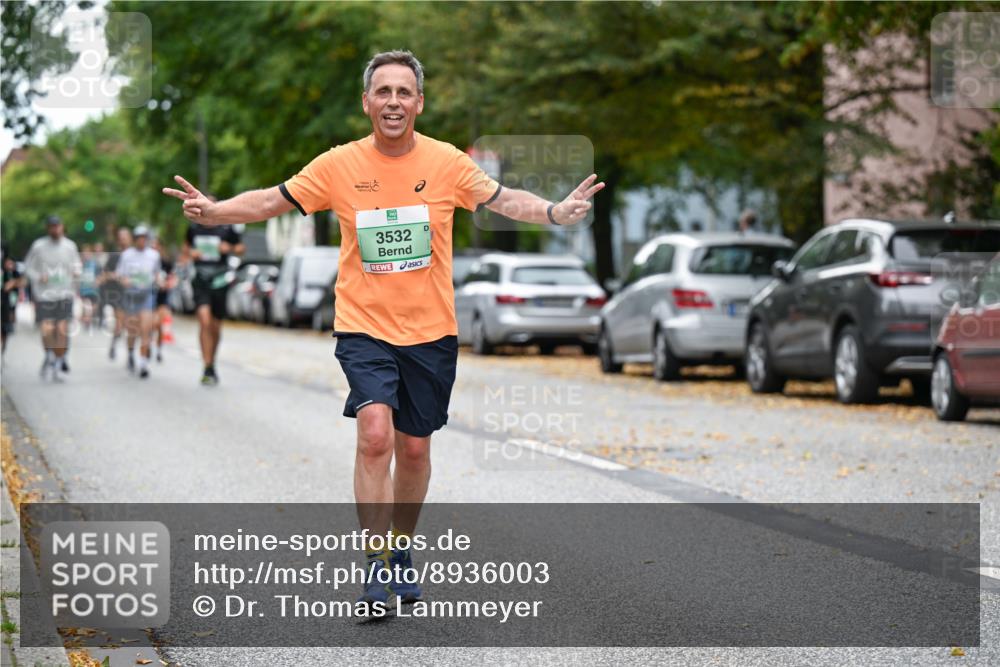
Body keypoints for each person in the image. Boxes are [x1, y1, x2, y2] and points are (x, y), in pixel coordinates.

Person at [162, 50, 602, 610]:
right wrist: (217, 210)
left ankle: (399, 548)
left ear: (419, 102)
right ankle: (373, 564)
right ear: (366, 102)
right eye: (383, 92)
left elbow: (503, 199)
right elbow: (275, 199)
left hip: (431, 331)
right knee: (374, 434)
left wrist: (555, 212)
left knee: (414, 452)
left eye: (403, 92)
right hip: (363, 326)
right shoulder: (338, 165)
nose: (393, 102)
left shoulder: (446, 163)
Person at [182, 201, 244, 385]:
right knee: (204, 319)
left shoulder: (227, 229)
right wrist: (191, 254)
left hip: (220, 280)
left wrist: (230, 248)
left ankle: (212, 363)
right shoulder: (194, 229)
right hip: (200, 279)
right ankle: (206, 364)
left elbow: (241, 249)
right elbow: (185, 250)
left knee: (215, 326)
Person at [24, 215, 81, 382]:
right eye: (52, 226)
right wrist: (38, 276)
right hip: (45, 295)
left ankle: (58, 362)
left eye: (58, 226)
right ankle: (49, 353)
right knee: (47, 329)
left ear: (62, 227)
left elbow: (77, 265)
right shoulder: (39, 246)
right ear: (48, 228)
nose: (55, 229)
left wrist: (77, 273)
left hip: (65, 294)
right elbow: (28, 267)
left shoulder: (70, 246)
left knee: (62, 329)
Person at [116, 225, 161, 379]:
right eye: (139, 238)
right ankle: (130, 353)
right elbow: (120, 275)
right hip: (131, 296)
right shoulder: (127, 255)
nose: (142, 241)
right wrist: (126, 281)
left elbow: (157, 274)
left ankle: (143, 364)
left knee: (145, 328)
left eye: (144, 238)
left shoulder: (154, 255)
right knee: (132, 329)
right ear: (135, 240)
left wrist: (158, 280)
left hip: (146, 294)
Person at [102, 227, 132, 359]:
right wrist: (116, 276)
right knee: (121, 323)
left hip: (135, 294)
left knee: (131, 325)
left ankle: (131, 354)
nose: (123, 240)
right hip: (118, 293)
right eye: (121, 237)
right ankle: (115, 343)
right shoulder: (114, 255)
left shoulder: (135, 254)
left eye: (126, 237)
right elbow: (105, 274)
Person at [151, 237, 175, 363]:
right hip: (149, 297)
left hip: (162, 298)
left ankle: (159, 349)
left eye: (156, 247)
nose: (154, 249)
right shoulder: (147, 262)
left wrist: (167, 284)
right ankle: (148, 346)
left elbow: (172, 278)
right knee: (150, 324)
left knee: (158, 324)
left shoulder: (166, 263)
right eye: (152, 247)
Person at [2, 248, 24, 356]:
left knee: (12, 310)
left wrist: (14, 283)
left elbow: (20, 283)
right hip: (4, 298)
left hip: (12, 296)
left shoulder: (16, 273)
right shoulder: (4, 272)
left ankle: (10, 324)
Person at [79, 244, 101, 331]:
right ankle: (87, 321)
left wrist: (98, 281)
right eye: (84, 253)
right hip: (84, 290)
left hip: (94, 290)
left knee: (94, 307)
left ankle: (88, 318)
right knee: (87, 306)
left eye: (87, 253)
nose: (86, 254)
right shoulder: (80, 264)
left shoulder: (95, 263)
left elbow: (100, 274)